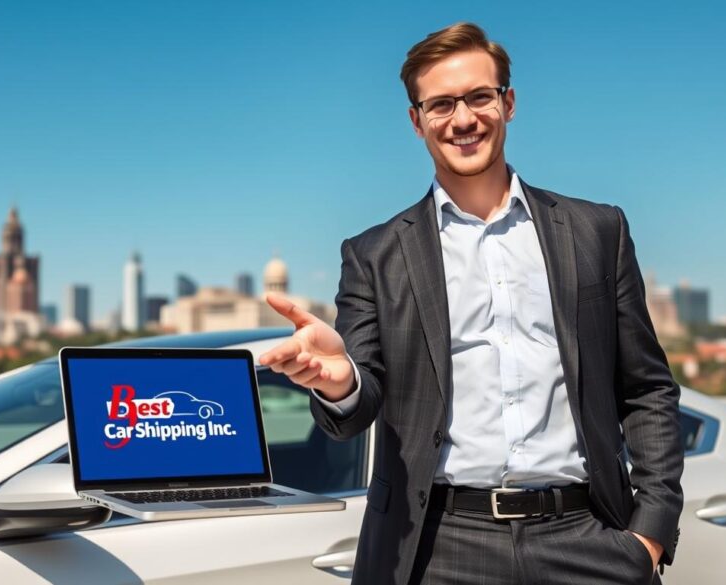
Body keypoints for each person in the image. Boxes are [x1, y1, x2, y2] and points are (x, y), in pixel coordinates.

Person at [259, 22, 683, 585]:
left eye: (480, 97)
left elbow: (647, 387)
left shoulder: (596, 230)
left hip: (589, 536)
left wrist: (647, 537)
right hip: (439, 547)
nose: (463, 119)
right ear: (416, 121)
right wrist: (339, 380)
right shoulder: (373, 256)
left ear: (508, 103)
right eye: (440, 104)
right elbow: (356, 410)